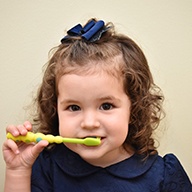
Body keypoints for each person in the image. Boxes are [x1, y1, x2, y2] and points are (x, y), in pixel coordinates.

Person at [3, 18, 192, 192]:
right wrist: (18, 171)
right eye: (74, 108)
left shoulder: (163, 176)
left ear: (133, 107)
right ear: (56, 110)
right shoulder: (46, 167)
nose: (89, 122)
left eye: (106, 106)